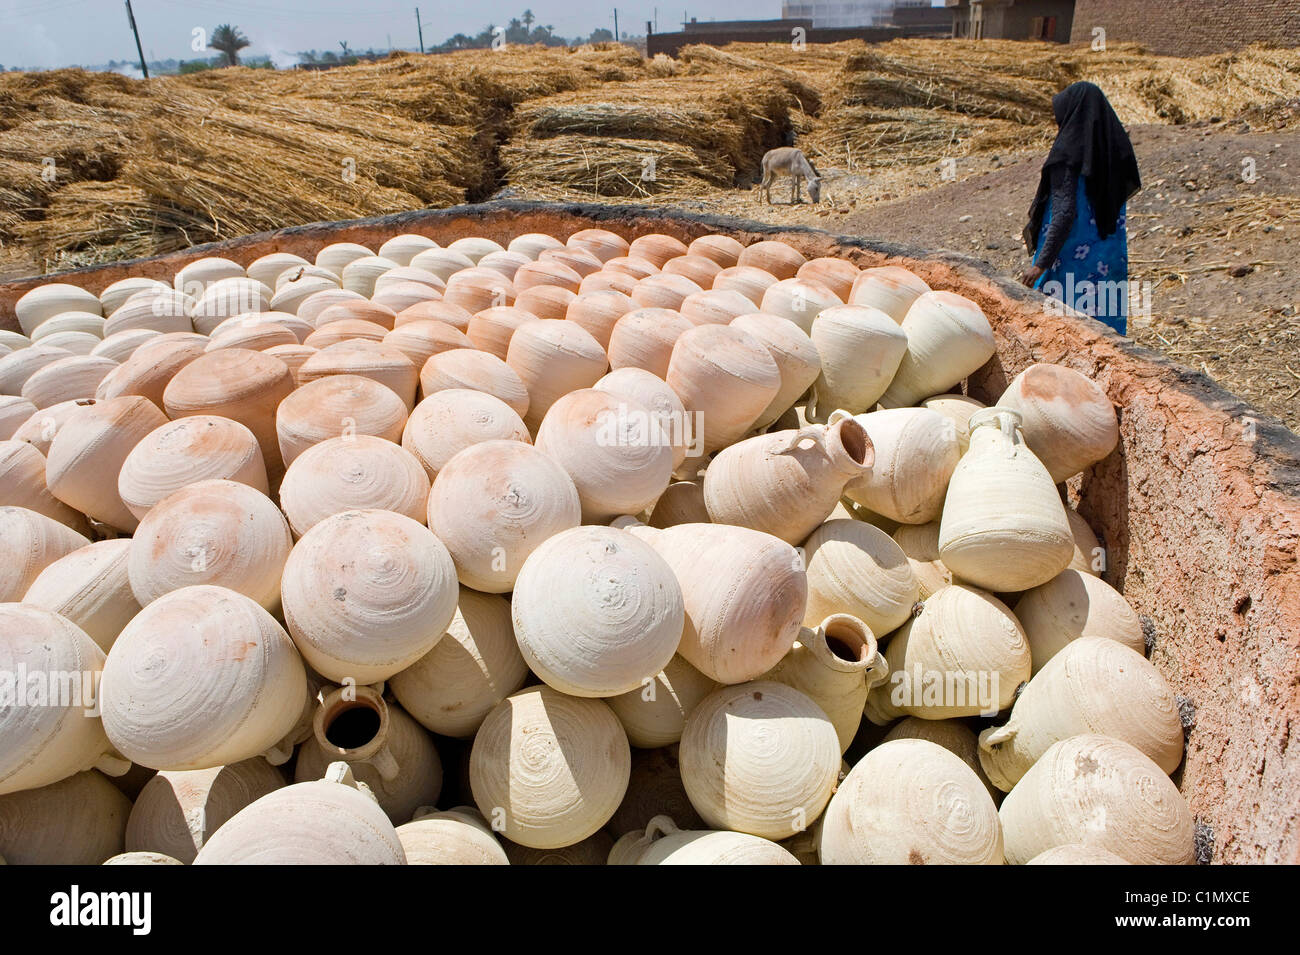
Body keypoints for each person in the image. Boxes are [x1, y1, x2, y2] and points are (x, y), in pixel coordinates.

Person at [1020, 81, 1141, 335]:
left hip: (1069, 265)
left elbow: (1064, 215)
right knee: (1105, 335)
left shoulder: (1067, 156)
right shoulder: (1112, 156)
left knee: (1064, 333)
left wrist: (1039, 266)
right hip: (1108, 262)